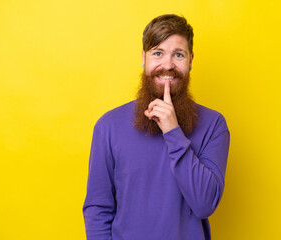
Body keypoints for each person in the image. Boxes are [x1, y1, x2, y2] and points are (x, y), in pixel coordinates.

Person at [83, 14, 230, 240]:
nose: (168, 65)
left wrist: (173, 132)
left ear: (190, 60)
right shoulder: (108, 126)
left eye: (178, 54)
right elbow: (97, 209)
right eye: (158, 53)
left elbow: (204, 204)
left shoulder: (214, 125)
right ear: (144, 58)